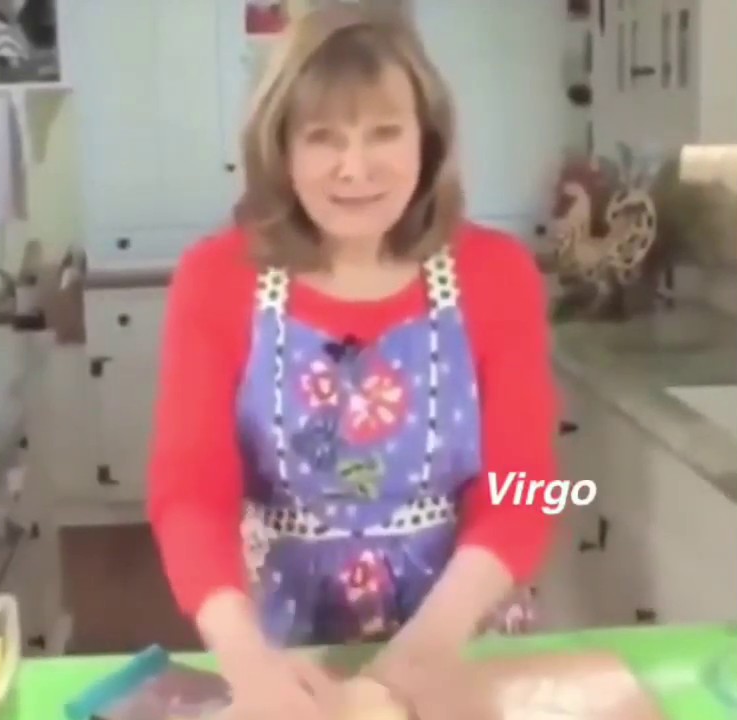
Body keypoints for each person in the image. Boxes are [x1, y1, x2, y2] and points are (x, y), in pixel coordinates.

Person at [146, 5, 560, 719]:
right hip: (282, 652)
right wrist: (248, 664)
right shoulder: (216, 279)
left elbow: (525, 489)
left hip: (461, 638)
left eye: (384, 132)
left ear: (427, 138)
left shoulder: (498, 275)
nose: (355, 168)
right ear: (281, 147)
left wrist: (424, 651)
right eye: (323, 137)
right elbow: (190, 493)